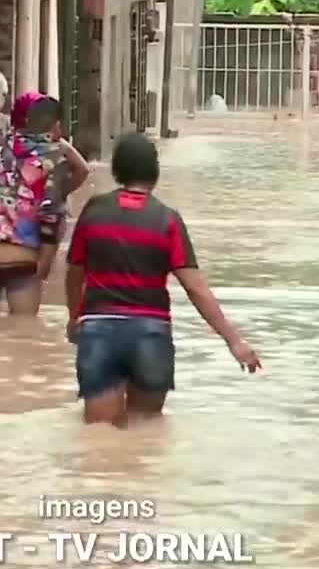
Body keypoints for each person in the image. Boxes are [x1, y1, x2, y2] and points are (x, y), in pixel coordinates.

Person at [64, 133, 261, 427]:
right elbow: (195, 287)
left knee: (100, 438)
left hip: (100, 331)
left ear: (117, 170)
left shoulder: (94, 212)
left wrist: (74, 316)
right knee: (146, 434)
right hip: (151, 334)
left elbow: (74, 272)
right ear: (154, 172)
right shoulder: (167, 220)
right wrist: (234, 341)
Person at [0, 95, 90, 315]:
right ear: (57, 126)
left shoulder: (1, 145)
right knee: (23, 330)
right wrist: (45, 261)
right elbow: (51, 214)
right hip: (19, 256)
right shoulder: (56, 157)